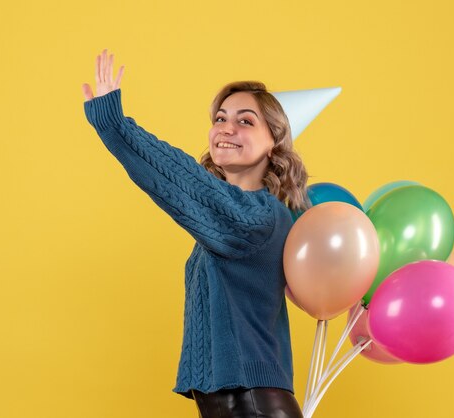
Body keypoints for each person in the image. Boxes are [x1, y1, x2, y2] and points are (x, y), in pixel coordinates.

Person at [82, 49, 311, 418]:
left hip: (254, 406)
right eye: (220, 118)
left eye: (246, 121)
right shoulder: (241, 213)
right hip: (235, 405)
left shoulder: (257, 217)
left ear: (274, 142)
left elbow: (182, 181)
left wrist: (115, 125)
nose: (226, 127)